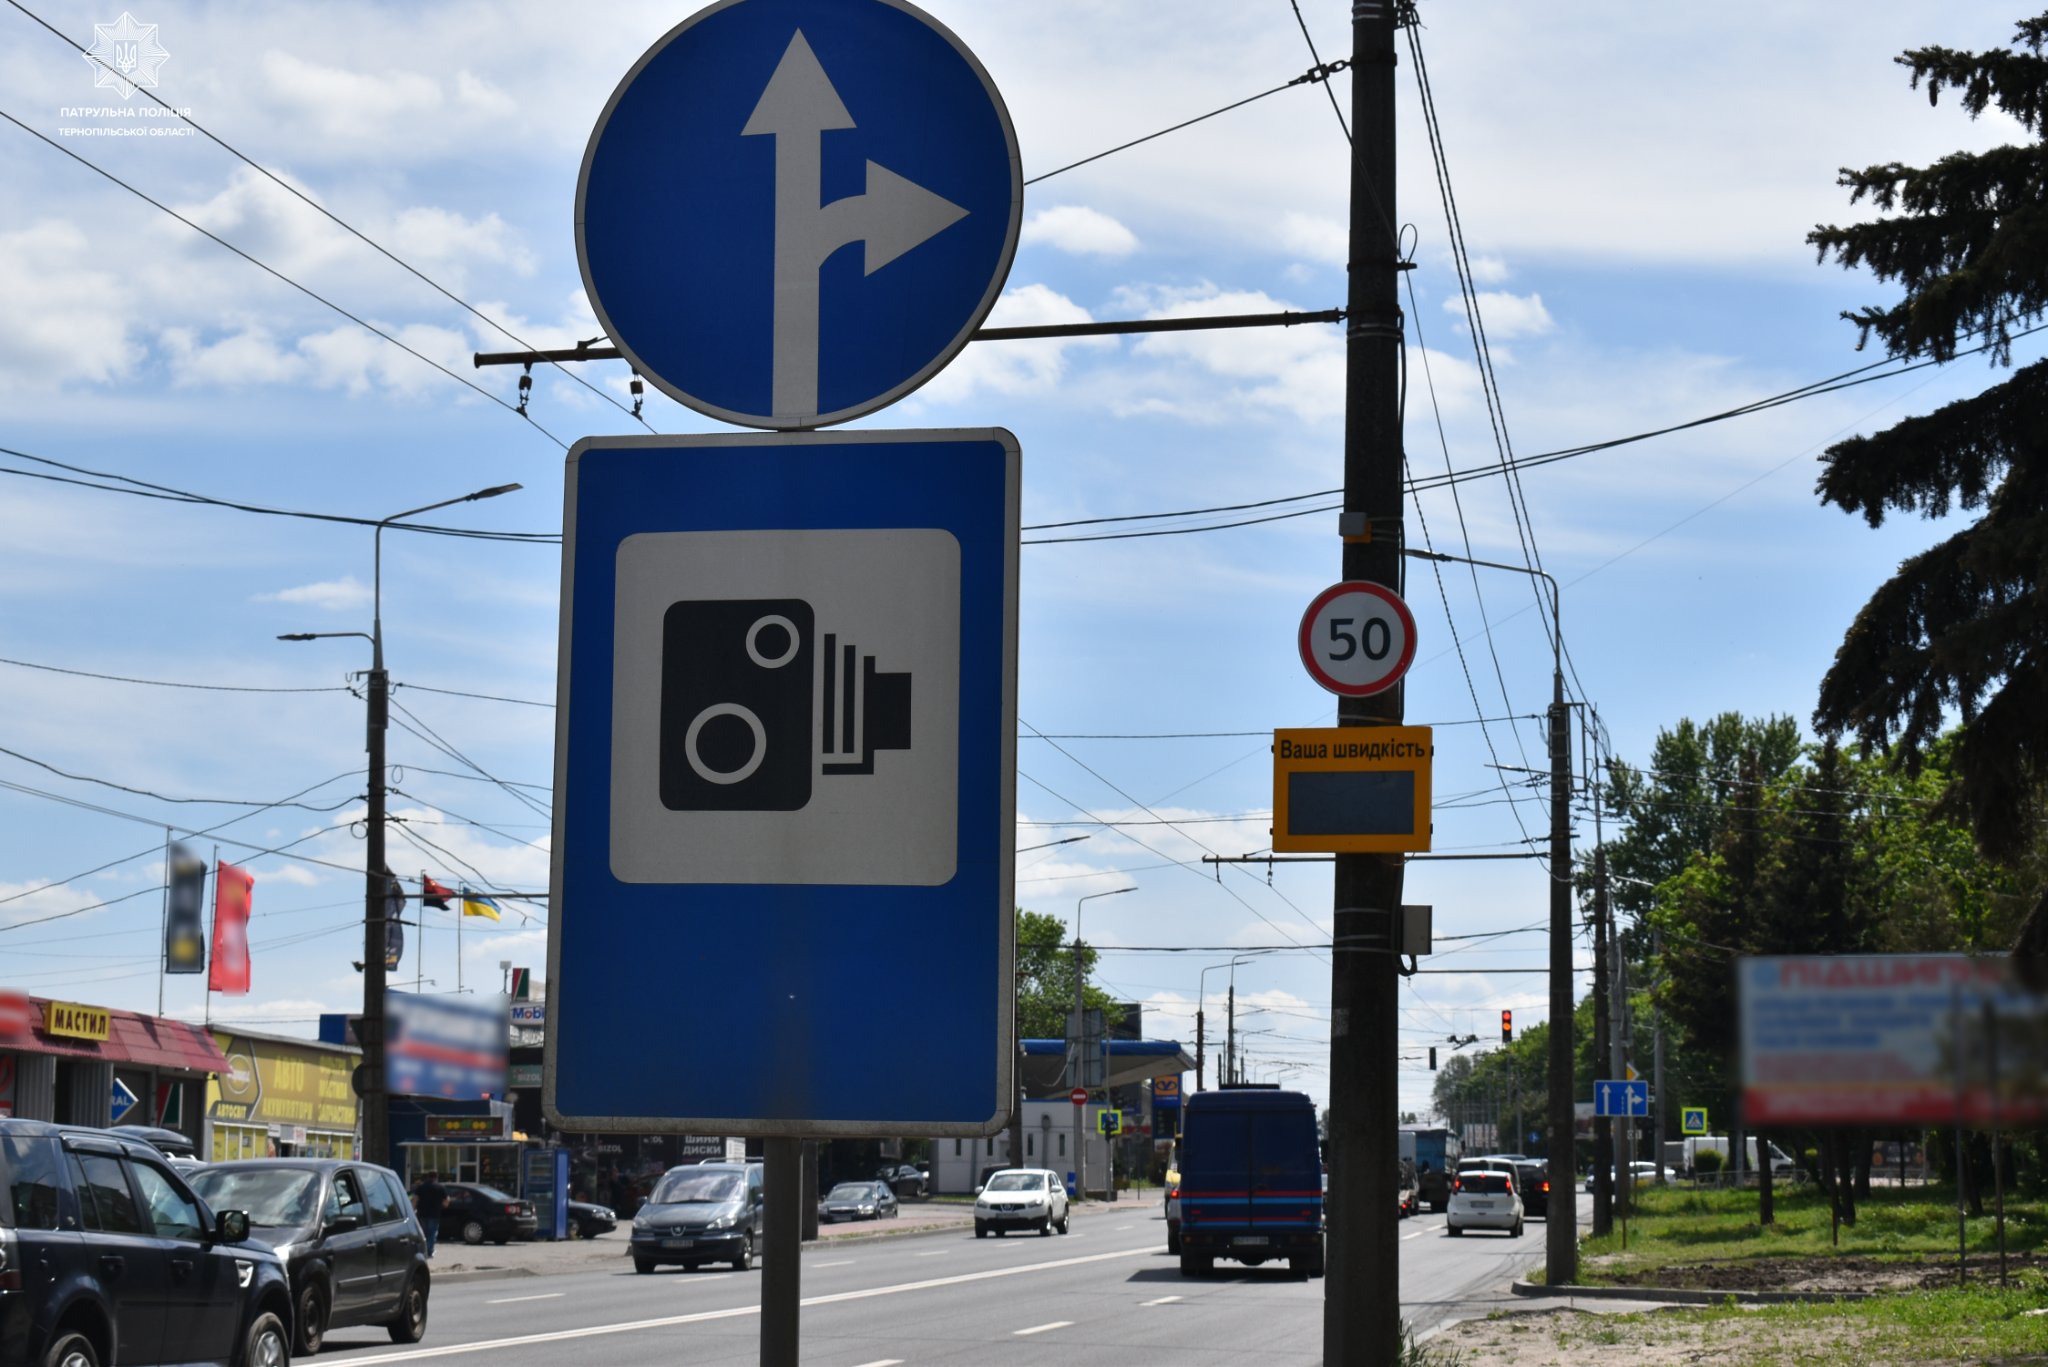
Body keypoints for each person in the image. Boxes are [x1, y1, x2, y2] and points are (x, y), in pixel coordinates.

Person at [413, 1173, 448, 1257]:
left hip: (422, 1213)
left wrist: (413, 1209)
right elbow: (446, 1201)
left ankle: (423, 1250)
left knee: (424, 1233)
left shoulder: (421, 1187)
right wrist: (443, 1206)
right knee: (432, 1233)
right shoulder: (440, 1187)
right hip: (434, 1214)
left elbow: (415, 1199)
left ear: (427, 1177)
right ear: (436, 1177)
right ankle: (429, 1250)